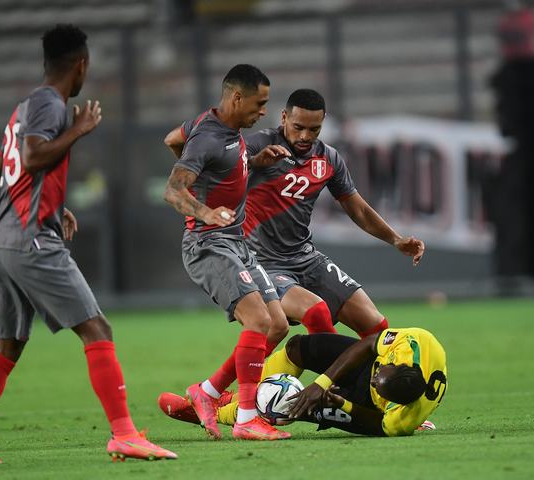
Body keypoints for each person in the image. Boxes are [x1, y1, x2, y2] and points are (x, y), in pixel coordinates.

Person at [0, 24, 176, 466]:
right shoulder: (51, 105)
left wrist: (55, 204)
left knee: (8, 347)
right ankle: (125, 435)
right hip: (31, 239)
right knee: (97, 329)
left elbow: (1, 173)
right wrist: (79, 130)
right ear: (81, 65)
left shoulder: (23, 107)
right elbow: (32, 157)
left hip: (1, 241)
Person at [164, 89, 424, 339]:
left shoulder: (328, 159)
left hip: (306, 258)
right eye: (298, 127)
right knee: (315, 315)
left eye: (314, 129)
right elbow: (208, 159)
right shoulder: (257, 145)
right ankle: (299, 366)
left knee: (377, 326)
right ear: (284, 117)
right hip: (263, 262)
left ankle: (302, 365)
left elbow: (358, 209)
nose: (305, 136)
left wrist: (395, 239)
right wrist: (216, 195)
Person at [163, 64, 291, 441]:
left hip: (235, 242)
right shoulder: (207, 137)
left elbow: (172, 138)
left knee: (278, 324)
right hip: (208, 243)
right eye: (259, 103)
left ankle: (207, 392)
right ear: (237, 98)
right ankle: (247, 419)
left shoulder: (217, 130)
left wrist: (250, 162)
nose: (264, 111)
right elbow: (172, 190)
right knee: (259, 320)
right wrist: (205, 211)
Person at [160, 327, 447, 437]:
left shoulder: (401, 419)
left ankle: (213, 413)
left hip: (368, 408)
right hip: (369, 361)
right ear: (399, 363)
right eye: (379, 376)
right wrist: (321, 382)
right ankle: (233, 400)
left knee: (288, 404)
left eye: (378, 384)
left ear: (398, 405)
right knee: (298, 347)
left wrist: (342, 404)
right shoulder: (417, 342)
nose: (375, 380)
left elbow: (377, 425)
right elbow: (370, 343)